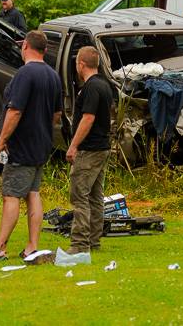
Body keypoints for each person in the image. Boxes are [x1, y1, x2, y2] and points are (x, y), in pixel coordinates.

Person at [0, 31, 61, 261]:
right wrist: (41, 128)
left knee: (11, 195)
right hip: (42, 145)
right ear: (45, 50)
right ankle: (31, 247)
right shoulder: (52, 75)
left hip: (22, 145)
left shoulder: (25, 74)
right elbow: (56, 114)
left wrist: (2, 140)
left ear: (25, 45)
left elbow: (15, 111)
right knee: (33, 193)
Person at [65, 46, 114, 254]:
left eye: (77, 63)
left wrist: (74, 145)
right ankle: (94, 242)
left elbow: (88, 118)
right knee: (95, 196)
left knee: (80, 196)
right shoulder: (105, 85)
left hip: (90, 149)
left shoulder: (91, 87)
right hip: (102, 147)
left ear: (81, 64)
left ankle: (79, 244)